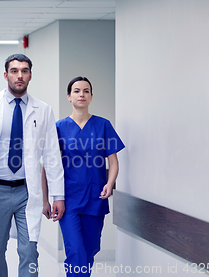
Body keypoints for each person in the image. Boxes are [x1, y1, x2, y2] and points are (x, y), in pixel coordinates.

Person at [0, 54, 65, 277]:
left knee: (29, 249)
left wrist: (58, 195)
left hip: (27, 190)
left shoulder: (43, 110)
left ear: (30, 75)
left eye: (24, 71)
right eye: (15, 70)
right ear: (6, 74)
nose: (20, 75)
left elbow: (52, 155)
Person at [52, 76, 125, 276]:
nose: (81, 94)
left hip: (96, 196)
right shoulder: (59, 128)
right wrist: (50, 197)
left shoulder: (103, 125)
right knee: (75, 250)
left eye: (86, 91)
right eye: (76, 91)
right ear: (69, 96)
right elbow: (49, 165)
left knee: (90, 249)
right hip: (69, 198)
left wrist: (110, 184)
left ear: (91, 96)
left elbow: (113, 161)